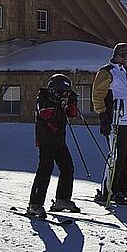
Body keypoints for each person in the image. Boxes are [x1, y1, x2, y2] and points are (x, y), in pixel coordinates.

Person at [92, 42, 127, 205]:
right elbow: (97, 95)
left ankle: (122, 187)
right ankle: (109, 190)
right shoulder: (107, 72)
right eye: (122, 55)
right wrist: (102, 115)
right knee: (116, 155)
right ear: (115, 55)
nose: (125, 58)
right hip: (115, 120)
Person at [28, 73, 81, 217]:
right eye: (62, 92)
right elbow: (48, 117)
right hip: (46, 140)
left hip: (59, 140)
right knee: (45, 169)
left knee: (67, 167)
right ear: (54, 89)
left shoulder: (58, 100)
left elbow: (72, 114)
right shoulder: (43, 97)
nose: (64, 94)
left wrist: (71, 102)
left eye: (66, 92)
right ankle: (35, 204)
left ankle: (62, 199)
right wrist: (59, 103)